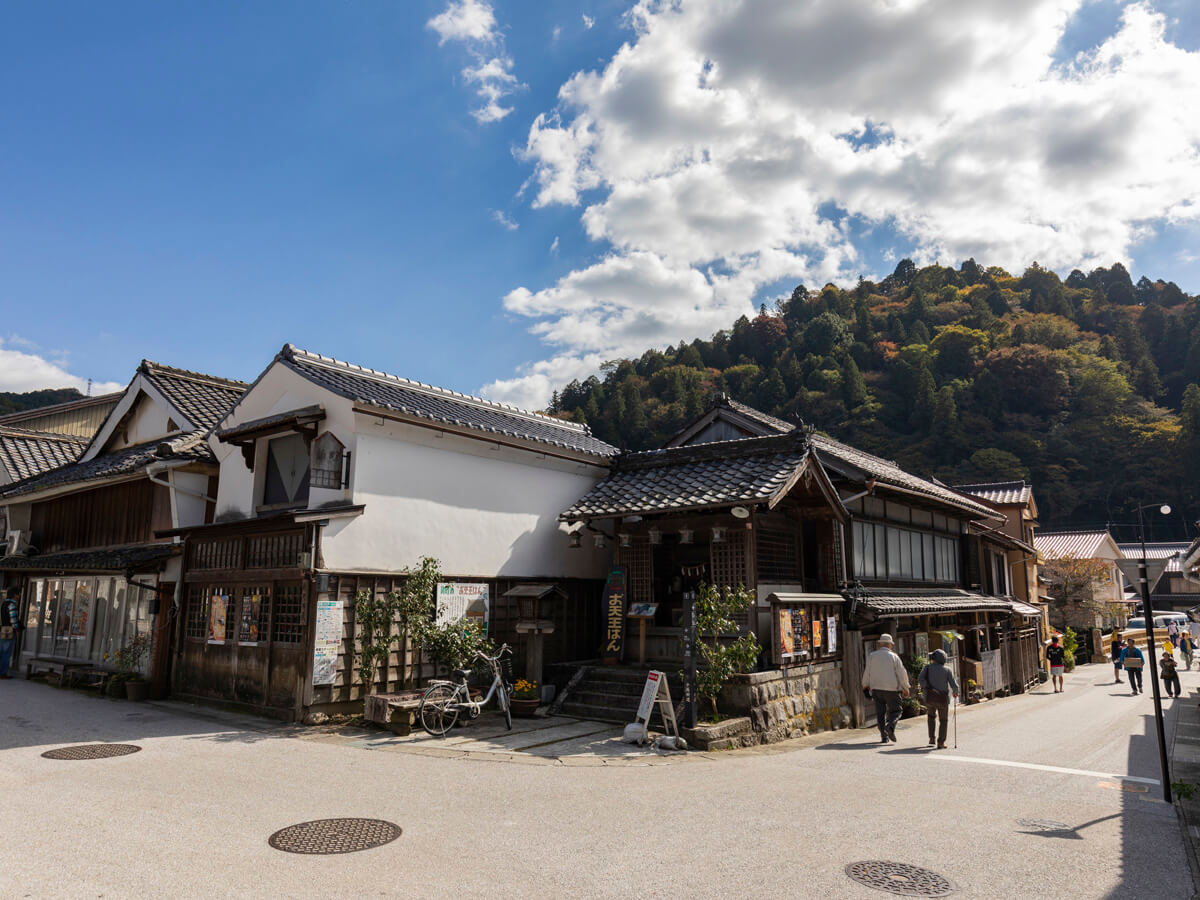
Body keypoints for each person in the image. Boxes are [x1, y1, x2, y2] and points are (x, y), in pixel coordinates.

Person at [862, 633, 910, 744]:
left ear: (880, 644)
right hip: (891, 689)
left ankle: (884, 737)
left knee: (880, 713)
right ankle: (890, 727)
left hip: (876, 689)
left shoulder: (872, 656)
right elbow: (901, 673)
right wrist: (905, 687)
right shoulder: (894, 657)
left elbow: (867, 672)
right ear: (890, 645)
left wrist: (865, 685)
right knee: (897, 710)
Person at [918, 649, 959, 749]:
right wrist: (955, 693)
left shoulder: (927, 668)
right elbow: (954, 685)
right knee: (943, 720)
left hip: (929, 698)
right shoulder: (947, 670)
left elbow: (920, 679)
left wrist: (927, 686)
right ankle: (940, 742)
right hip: (942, 699)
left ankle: (931, 738)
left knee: (931, 717)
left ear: (934, 659)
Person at [0, 588, 24, 679]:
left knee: (2, 651)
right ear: (14, 595)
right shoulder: (12, 605)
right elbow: (13, 620)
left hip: (3, 628)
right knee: (6, 653)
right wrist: (18, 628)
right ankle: (2, 673)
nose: (19, 596)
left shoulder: (4, 603)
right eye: (18, 594)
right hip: (9, 630)